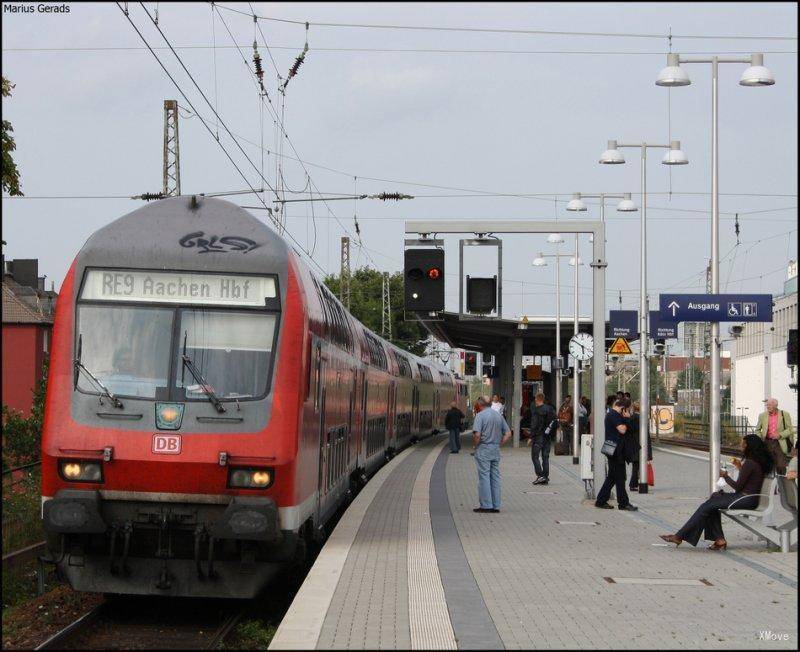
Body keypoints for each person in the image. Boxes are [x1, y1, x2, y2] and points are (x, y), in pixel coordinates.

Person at [660, 434, 773, 549]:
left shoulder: (750, 463)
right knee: (714, 498)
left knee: (707, 506)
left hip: (745, 499)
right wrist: (740, 468)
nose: (741, 447)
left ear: (749, 446)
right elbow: (751, 480)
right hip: (749, 498)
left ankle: (679, 536)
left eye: (743, 445)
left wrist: (725, 476)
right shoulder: (756, 462)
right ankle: (719, 540)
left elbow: (738, 486)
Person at [595, 399, 637, 511]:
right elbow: (622, 430)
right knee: (620, 477)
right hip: (615, 451)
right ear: (623, 408)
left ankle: (601, 501)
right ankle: (623, 504)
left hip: (614, 450)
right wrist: (627, 418)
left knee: (613, 477)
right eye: (627, 409)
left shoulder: (613, 414)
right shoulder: (613, 415)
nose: (628, 412)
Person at [471, 397, 512, 513]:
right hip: (495, 450)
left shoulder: (480, 416)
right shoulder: (498, 415)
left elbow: (477, 435)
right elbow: (508, 433)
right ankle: (496, 505)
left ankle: (486, 505)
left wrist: (475, 446)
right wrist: (499, 443)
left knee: (484, 477)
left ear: (479, 404)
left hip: (483, 449)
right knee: (495, 477)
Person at [755, 398, 795, 474]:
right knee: (767, 465)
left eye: (769, 405)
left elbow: (790, 429)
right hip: (766, 442)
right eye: (767, 405)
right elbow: (757, 430)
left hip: (779, 443)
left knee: (781, 466)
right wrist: (761, 438)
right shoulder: (762, 415)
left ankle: (781, 483)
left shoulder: (784, 414)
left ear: (775, 405)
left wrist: (780, 435)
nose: (767, 406)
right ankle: (770, 484)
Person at [624, 401, 652, 491]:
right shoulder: (641, 418)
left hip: (634, 445)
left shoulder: (633, 417)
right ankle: (634, 484)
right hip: (641, 446)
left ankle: (634, 484)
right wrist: (649, 453)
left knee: (636, 466)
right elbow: (646, 436)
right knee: (637, 467)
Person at [531, 392, 557, 485]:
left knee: (535, 457)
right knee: (545, 457)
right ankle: (545, 477)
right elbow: (555, 421)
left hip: (538, 437)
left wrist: (531, 436)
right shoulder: (550, 409)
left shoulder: (536, 410)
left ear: (537, 399)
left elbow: (534, 424)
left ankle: (540, 475)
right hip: (547, 437)